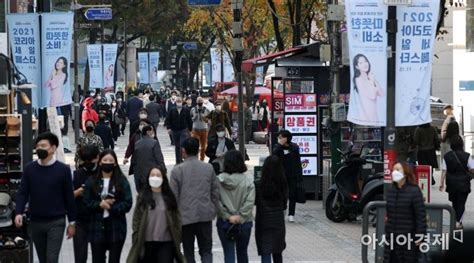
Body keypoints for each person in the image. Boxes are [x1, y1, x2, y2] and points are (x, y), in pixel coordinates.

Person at [15, 132, 76, 263]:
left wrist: (72, 222)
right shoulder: (30, 169)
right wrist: (18, 212)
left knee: (52, 258)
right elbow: (22, 192)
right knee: (43, 259)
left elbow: (69, 197)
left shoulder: (63, 170)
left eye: (43, 145)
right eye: (37, 146)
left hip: (56, 222)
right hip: (36, 221)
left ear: (53, 148)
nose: (39, 149)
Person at [170, 138, 219, 263]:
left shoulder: (177, 170)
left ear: (183, 151)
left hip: (185, 217)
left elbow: (173, 197)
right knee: (206, 251)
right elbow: (215, 192)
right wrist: (213, 210)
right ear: (198, 151)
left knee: (188, 252)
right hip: (205, 215)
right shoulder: (208, 168)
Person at [83, 149, 133, 263]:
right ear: (100, 162)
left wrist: (112, 207)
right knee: (97, 259)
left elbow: (128, 203)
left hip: (116, 227)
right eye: (105, 160)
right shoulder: (91, 181)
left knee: (114, 259)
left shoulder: (121, 181)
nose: (108, 163)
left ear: (115, 163)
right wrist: (99, 204)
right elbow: (86, 202)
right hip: (96, 227)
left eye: (111, 160)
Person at [127, 167, 185, 263]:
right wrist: (136, 237)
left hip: (166, 242)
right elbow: (136, 220)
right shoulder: (142, 198)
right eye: (152, 175)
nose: (155, 178)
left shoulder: (170, 197)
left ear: (163, 178)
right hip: (147, 242)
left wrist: (178, 237)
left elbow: (176, 219)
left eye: (158, 175)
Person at [216, 150, 255, 263]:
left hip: (225, 222)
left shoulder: (219, 180)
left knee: (228, 253)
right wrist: (241, 216)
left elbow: (216, 201)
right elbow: (250, 201)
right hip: (244, 222)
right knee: (242, 253)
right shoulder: (248, 180)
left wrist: (227, 216)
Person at [384, 162, 427, 263]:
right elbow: (389, 214)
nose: (394, 172)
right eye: (393, 170)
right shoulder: (391, 191)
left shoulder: (414, 191)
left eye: (398, 170)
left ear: (406, 173)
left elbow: (420, 215)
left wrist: (420, 236)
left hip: (409, 238)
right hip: (392, 238)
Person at [255, 155, 288, 263]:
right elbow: (284, 205)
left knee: (265, 251)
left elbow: (255, 202)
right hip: (278, 221)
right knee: (277, 252)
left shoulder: (258, 185)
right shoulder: (282, 184)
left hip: (263, 221)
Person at [439, 135, 474, 229]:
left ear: (451, 145)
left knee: (454, 203)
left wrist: (441, 183)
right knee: (461, 203)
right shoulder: (467, 156)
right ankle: (458, 222)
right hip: (463, 184)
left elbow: (444, 170)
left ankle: (456, 221)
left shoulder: (446, 156)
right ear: (461, 144)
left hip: (451, 184)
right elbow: (473, 168)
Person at [73, 145, 100, 263]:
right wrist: (78, 192)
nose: (89, 163)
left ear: (97, 158)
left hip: (98, 220)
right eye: (86, 160)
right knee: (80, 256)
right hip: (80, 220)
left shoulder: (103, 173)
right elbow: (68, 196)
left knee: (99, 256)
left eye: (91, 160)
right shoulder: (76, 174)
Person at [272, 130, 302, 223]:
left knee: (292, 194)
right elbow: (274, 155)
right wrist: (280, 145)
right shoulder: (277, 147)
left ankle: (291, 214)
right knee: (282, 194)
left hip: (292, 174)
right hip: (281, 175)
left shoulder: (294, 147)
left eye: (281, 137)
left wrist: (299, 176)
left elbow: (298, 162)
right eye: (279, 137)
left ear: (286, 138)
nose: (279, 139)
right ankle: (283, 210)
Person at [131, 125, 166, 192]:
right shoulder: (154, 143)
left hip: (140, 174)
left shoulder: (137, 143)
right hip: (152, 173)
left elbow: (135, 159)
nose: (153, 132)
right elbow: (159, 158)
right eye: (151, 131)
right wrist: (163, 170)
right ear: (148, 132)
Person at [351, 54, 384, 122]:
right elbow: (372, 96)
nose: (365, 64)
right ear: (357, 67)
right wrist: (372, 81)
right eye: (361, 63)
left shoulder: (371, 77)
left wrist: (374, 81)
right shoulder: (358, 80)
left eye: (365, 61)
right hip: (365, 116)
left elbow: (382, 94)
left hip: (375, 114)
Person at [166, 96, 193, 164]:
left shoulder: (186, 109)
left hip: (183, 129)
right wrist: (168, 128)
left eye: (180, 101)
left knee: (182, 144)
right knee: (177, 146)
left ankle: (183, 158)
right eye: (177, 101)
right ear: (176, 102)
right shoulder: (172, 110)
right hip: (174, 130)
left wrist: (190, 129)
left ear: (182, 102)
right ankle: (178, 161)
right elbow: (168, 119)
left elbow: (189, 120)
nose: (179, 103)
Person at [191, 97, 210, 161]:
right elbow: (190, 118)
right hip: (195, 129)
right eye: (198, 101)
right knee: (195, 145)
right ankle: (195, 158)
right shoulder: (193, 109)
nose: (200, 102)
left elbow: (209, 120)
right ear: (196, 101)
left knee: (203, 146)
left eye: (201, 101)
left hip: (204, 129)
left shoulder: (206, 109)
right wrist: (194, 117)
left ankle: (202, 159)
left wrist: (204, 118)